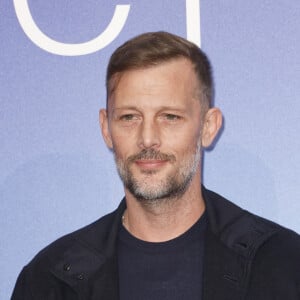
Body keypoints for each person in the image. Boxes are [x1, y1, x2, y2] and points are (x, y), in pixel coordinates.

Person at [12, 31, 300, 300]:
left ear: (208, 127)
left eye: (170, 117)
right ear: (106, 128)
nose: (148, 138)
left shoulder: (284, 264)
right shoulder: (48, 281)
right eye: (129, 117)